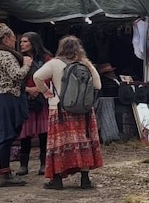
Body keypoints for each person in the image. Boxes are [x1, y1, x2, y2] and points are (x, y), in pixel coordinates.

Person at [33, 35, 103, 190]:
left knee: (59, 144)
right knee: (83, 143)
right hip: (83, 111)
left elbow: (37, 76)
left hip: (60, 109)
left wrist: (45, 92)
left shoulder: (54, 63)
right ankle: (85, 179)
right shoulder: (85, 64)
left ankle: (57, 179)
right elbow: (98, 85)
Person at [0, 24, 33, 187]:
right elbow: (17, 75)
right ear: (6, 38)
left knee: (5, 133)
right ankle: (5, 174)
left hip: (1, 97)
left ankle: (5, 171)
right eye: (13, 36)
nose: (16, 39)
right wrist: (27, 63)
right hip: (6, 97)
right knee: (5, 134)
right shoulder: (5, 55)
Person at [16, 32, 52, 176]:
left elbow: (51, 74)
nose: (22, 44)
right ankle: (23, 164)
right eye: (21, 42)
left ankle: (44, 163)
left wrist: (40, 89)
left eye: (25, 41)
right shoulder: (18, 59)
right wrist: (28, 89)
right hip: (25, 97)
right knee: (26, 133)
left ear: (33, 42)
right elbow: (14, 78)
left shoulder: (46, 58)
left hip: (42, 98)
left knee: (44, 133)